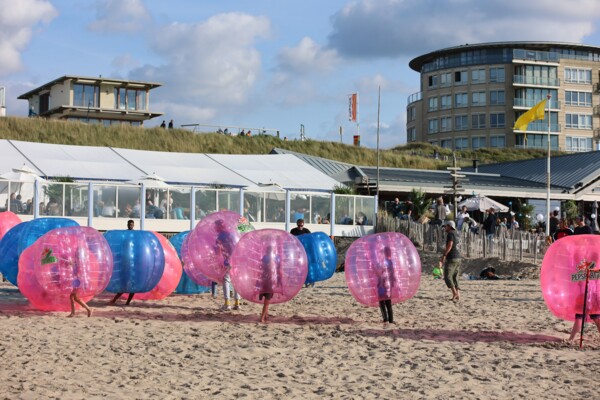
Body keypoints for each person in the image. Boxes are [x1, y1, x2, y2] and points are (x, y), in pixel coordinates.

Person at [215, 219, 242, 311]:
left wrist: (219, 261)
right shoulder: (232, 234)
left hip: (228, 261)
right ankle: (237, 303)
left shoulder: (219, 237)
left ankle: (227, 304)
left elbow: (217, 251)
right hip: (237, 260)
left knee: (226, 280)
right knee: (236, 282)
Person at [259, 245, 282, 323]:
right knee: (267, 302)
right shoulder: (273, 261)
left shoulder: (265, 259)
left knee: (266, 301)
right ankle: (262, 318)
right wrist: (279, 282)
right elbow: (278, 272)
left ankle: (266, 316)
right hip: (269, 284)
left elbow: (261, 269)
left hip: (264, 282)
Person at [441, 220, 461, 301]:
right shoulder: (457, 234)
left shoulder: (450, 234)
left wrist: (444, 255)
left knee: (447, 276)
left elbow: (450, 245)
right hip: (458, 257)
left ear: (449, 226)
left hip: (452, 257)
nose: (445, 228)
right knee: (455, 276)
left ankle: (454, 294)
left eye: (446, 226)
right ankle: (458, 294)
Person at [377, 246, 396, 324]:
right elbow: (393, 273)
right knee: (388, 302)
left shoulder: (382, 262)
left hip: (382, 283)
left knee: (382, 301)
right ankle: (391, 319)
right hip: (389, 284)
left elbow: (378, 272)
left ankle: (385, 318)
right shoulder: (391, 262)